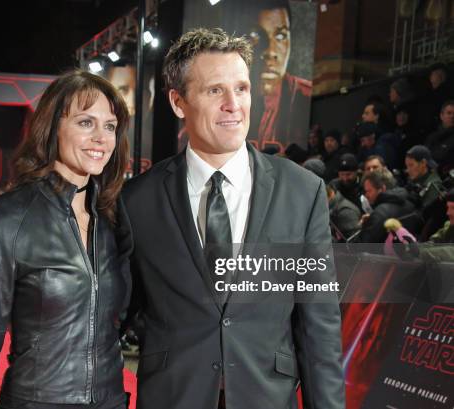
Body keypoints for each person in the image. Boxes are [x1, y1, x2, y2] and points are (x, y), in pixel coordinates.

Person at [123, 28, 343, 409]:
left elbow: (318, 324)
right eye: (215, 91)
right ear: (178, 102)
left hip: (267, 396)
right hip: (173, 396)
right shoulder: (138, 199)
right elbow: (120, 313)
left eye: (241, 89)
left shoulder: (302, 191)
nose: (233, 104)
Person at [0, 70, 132, 409]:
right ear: (52, 127)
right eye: (86, 123)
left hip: (111, 401)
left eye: (110, 126)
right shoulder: (6, 219)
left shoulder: (115, 220)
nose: (101, 137)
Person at [248, 0, 312, 149]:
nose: (270, 52)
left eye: (281, 36)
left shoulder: (305, 94)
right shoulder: (225, 97)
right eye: (257, 36)